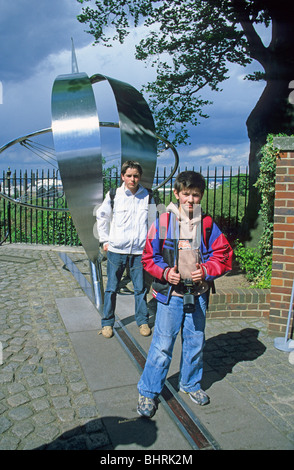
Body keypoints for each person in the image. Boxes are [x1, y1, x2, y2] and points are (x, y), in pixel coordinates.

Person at [137, 171, 233, 418]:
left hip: (198, 294)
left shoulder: (208, 224)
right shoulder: (163, 221)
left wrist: (207, 270)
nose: (190, 200)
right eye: (186, 194)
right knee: (162, 344)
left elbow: (223, 255)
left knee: (195, 341)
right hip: (171, 296)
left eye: (196, 195)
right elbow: (149, 258)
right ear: (177, 194)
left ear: (201, 197)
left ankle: (190, 383)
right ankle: (148, 391)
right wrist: (166, 272)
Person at [96, 161, 155, 339]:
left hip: (139, 252)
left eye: (136, 175)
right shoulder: (114, 195)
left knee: (140, 289)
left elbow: (152, 223)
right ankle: (107, 323)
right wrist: (105, 240)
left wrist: (151, 247)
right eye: (129, 175)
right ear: (123, 176)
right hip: (116, 250)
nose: (132, 179)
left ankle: (142, 321)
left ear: (140, 177)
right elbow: (102, 216)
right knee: (111, 288)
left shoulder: (148, 196)